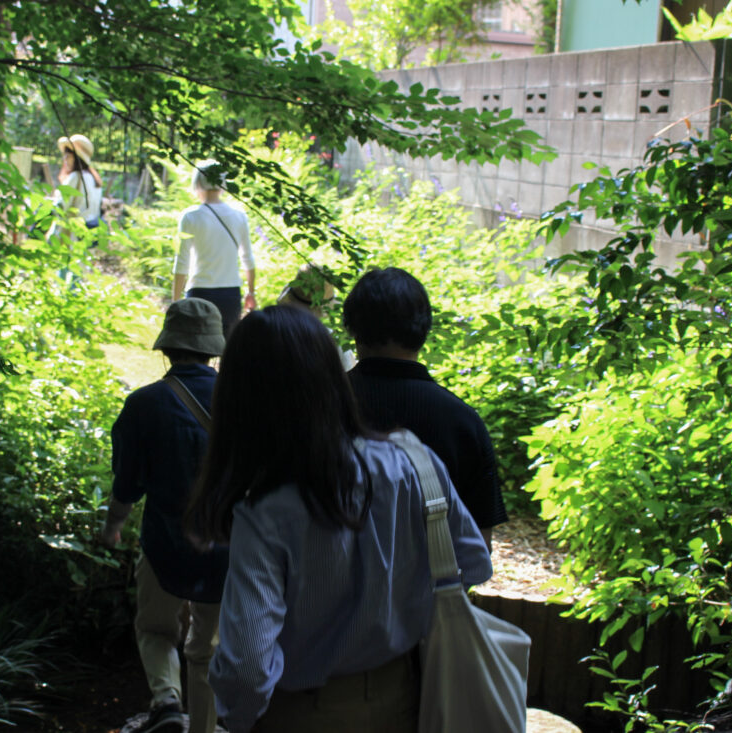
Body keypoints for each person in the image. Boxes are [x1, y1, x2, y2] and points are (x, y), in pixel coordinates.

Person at [187, 305, 491, 733]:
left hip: (302, 711)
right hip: (406, 699)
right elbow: (475, 564)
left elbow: (248, 668)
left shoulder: (266, 510)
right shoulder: (413, 462)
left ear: (242, 400)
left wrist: (235, 720)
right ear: (331, 377)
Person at [98, 298, 229, 733]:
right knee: (207, 647)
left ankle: (167, 701)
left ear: (167, 347)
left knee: (155, 629)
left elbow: (128, 481)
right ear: (213, 349)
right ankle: (204, 728)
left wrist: (114, 524)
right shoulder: (240, 403)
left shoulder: (145, 404)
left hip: (164, 543)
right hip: (227, 548)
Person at [343, 267, 507, 549]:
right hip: (430, 591)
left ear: (353, 328)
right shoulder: (462, 421)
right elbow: (479, 544)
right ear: (424, 329)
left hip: (323, 587)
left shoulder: (318, 405)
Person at [172, 160, 255, 338]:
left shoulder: (190, 217)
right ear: (223, 184)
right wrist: (251, 292)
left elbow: (182, 264)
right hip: (230, 295)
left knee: (196, 350)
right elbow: (248, 259)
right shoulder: (239, 217)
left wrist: (175, 302)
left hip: (199, 292)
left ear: (198, 183)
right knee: (227, 353)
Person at [47, 134, 103, 242]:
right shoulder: (94, 178)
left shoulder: (75, 177)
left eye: (68, 156)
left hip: (72, 234)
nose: (65, 159)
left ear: (76, 158)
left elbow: (61, 206)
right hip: (88, 232)